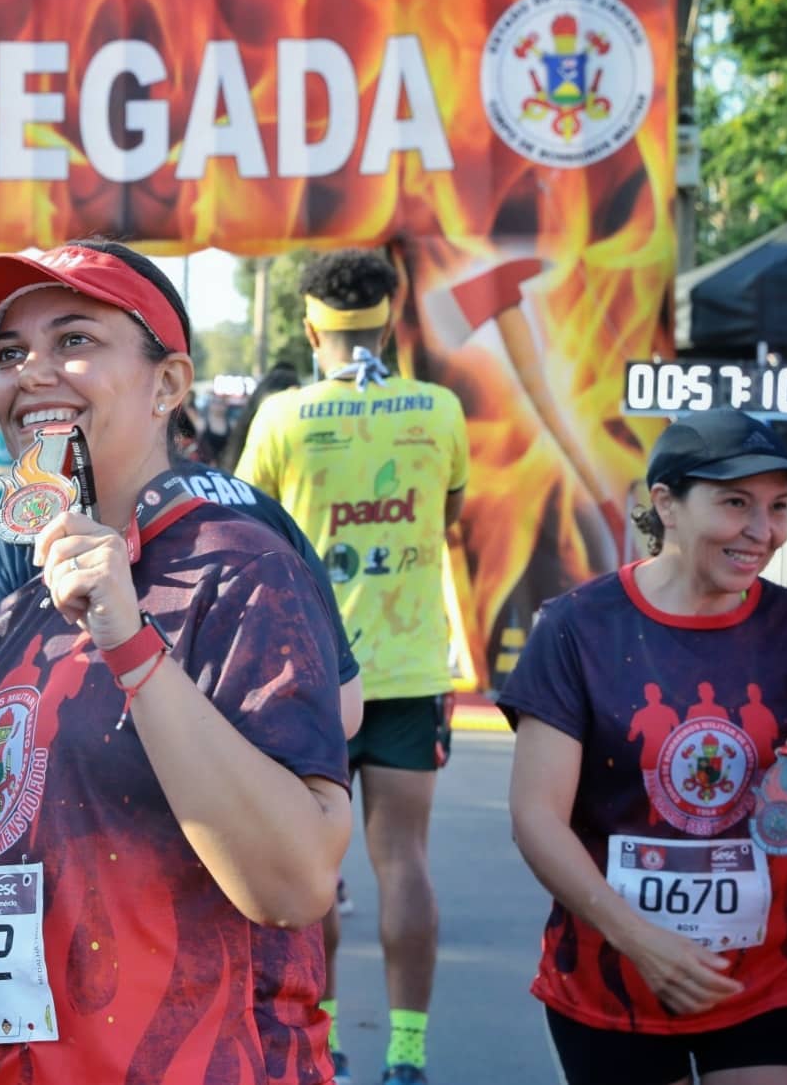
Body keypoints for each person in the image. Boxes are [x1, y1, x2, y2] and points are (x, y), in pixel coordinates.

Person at [0, 238, 351, 1084]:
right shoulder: (15, 605)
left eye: (74, 340)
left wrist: (130, 642)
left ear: (168, 384)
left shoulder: (238, 566)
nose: (32, 371)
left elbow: (296, 882)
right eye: (11, 353)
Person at [502, 409, 787, 1085]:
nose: (763, 531)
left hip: (766, 979)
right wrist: (640, 939)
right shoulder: (577, 629)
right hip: (614, 980)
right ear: (665, 503)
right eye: (735, 503)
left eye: (778, 507)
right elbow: (535, 818)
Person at [236, 248, 469, 1085]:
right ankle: (406, 1055)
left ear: (310, 325)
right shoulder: (439, 410)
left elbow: (244, 533)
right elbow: (446, 517)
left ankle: (324, 1038)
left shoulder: (283, 419)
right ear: (390, 319)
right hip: (409, 668)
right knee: (403, 859)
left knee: (314, 868)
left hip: (309, 676)